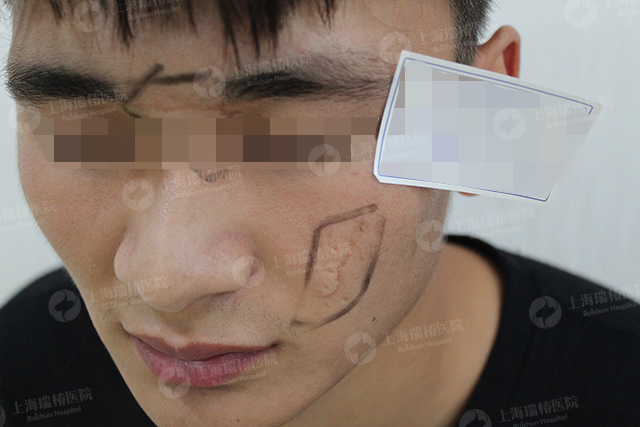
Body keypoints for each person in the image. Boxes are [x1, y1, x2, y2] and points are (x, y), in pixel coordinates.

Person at [1, 1, 638, 426]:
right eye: (84, 135)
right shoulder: (23, 366)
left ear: (481, 122)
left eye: (301, 141)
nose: (163, 281)